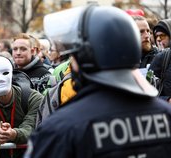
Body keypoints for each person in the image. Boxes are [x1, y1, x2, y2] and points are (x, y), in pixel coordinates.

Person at [25, 5, 171, 158]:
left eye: (73, 56)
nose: (71, 63)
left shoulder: (61, 129)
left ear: (86, 58)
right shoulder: (165, 115)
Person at [0, 55, 43, 158]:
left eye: (5, 73)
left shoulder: (33, 98)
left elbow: (31, 127)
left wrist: (14, 134)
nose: (0, 79)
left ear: (12, 74)